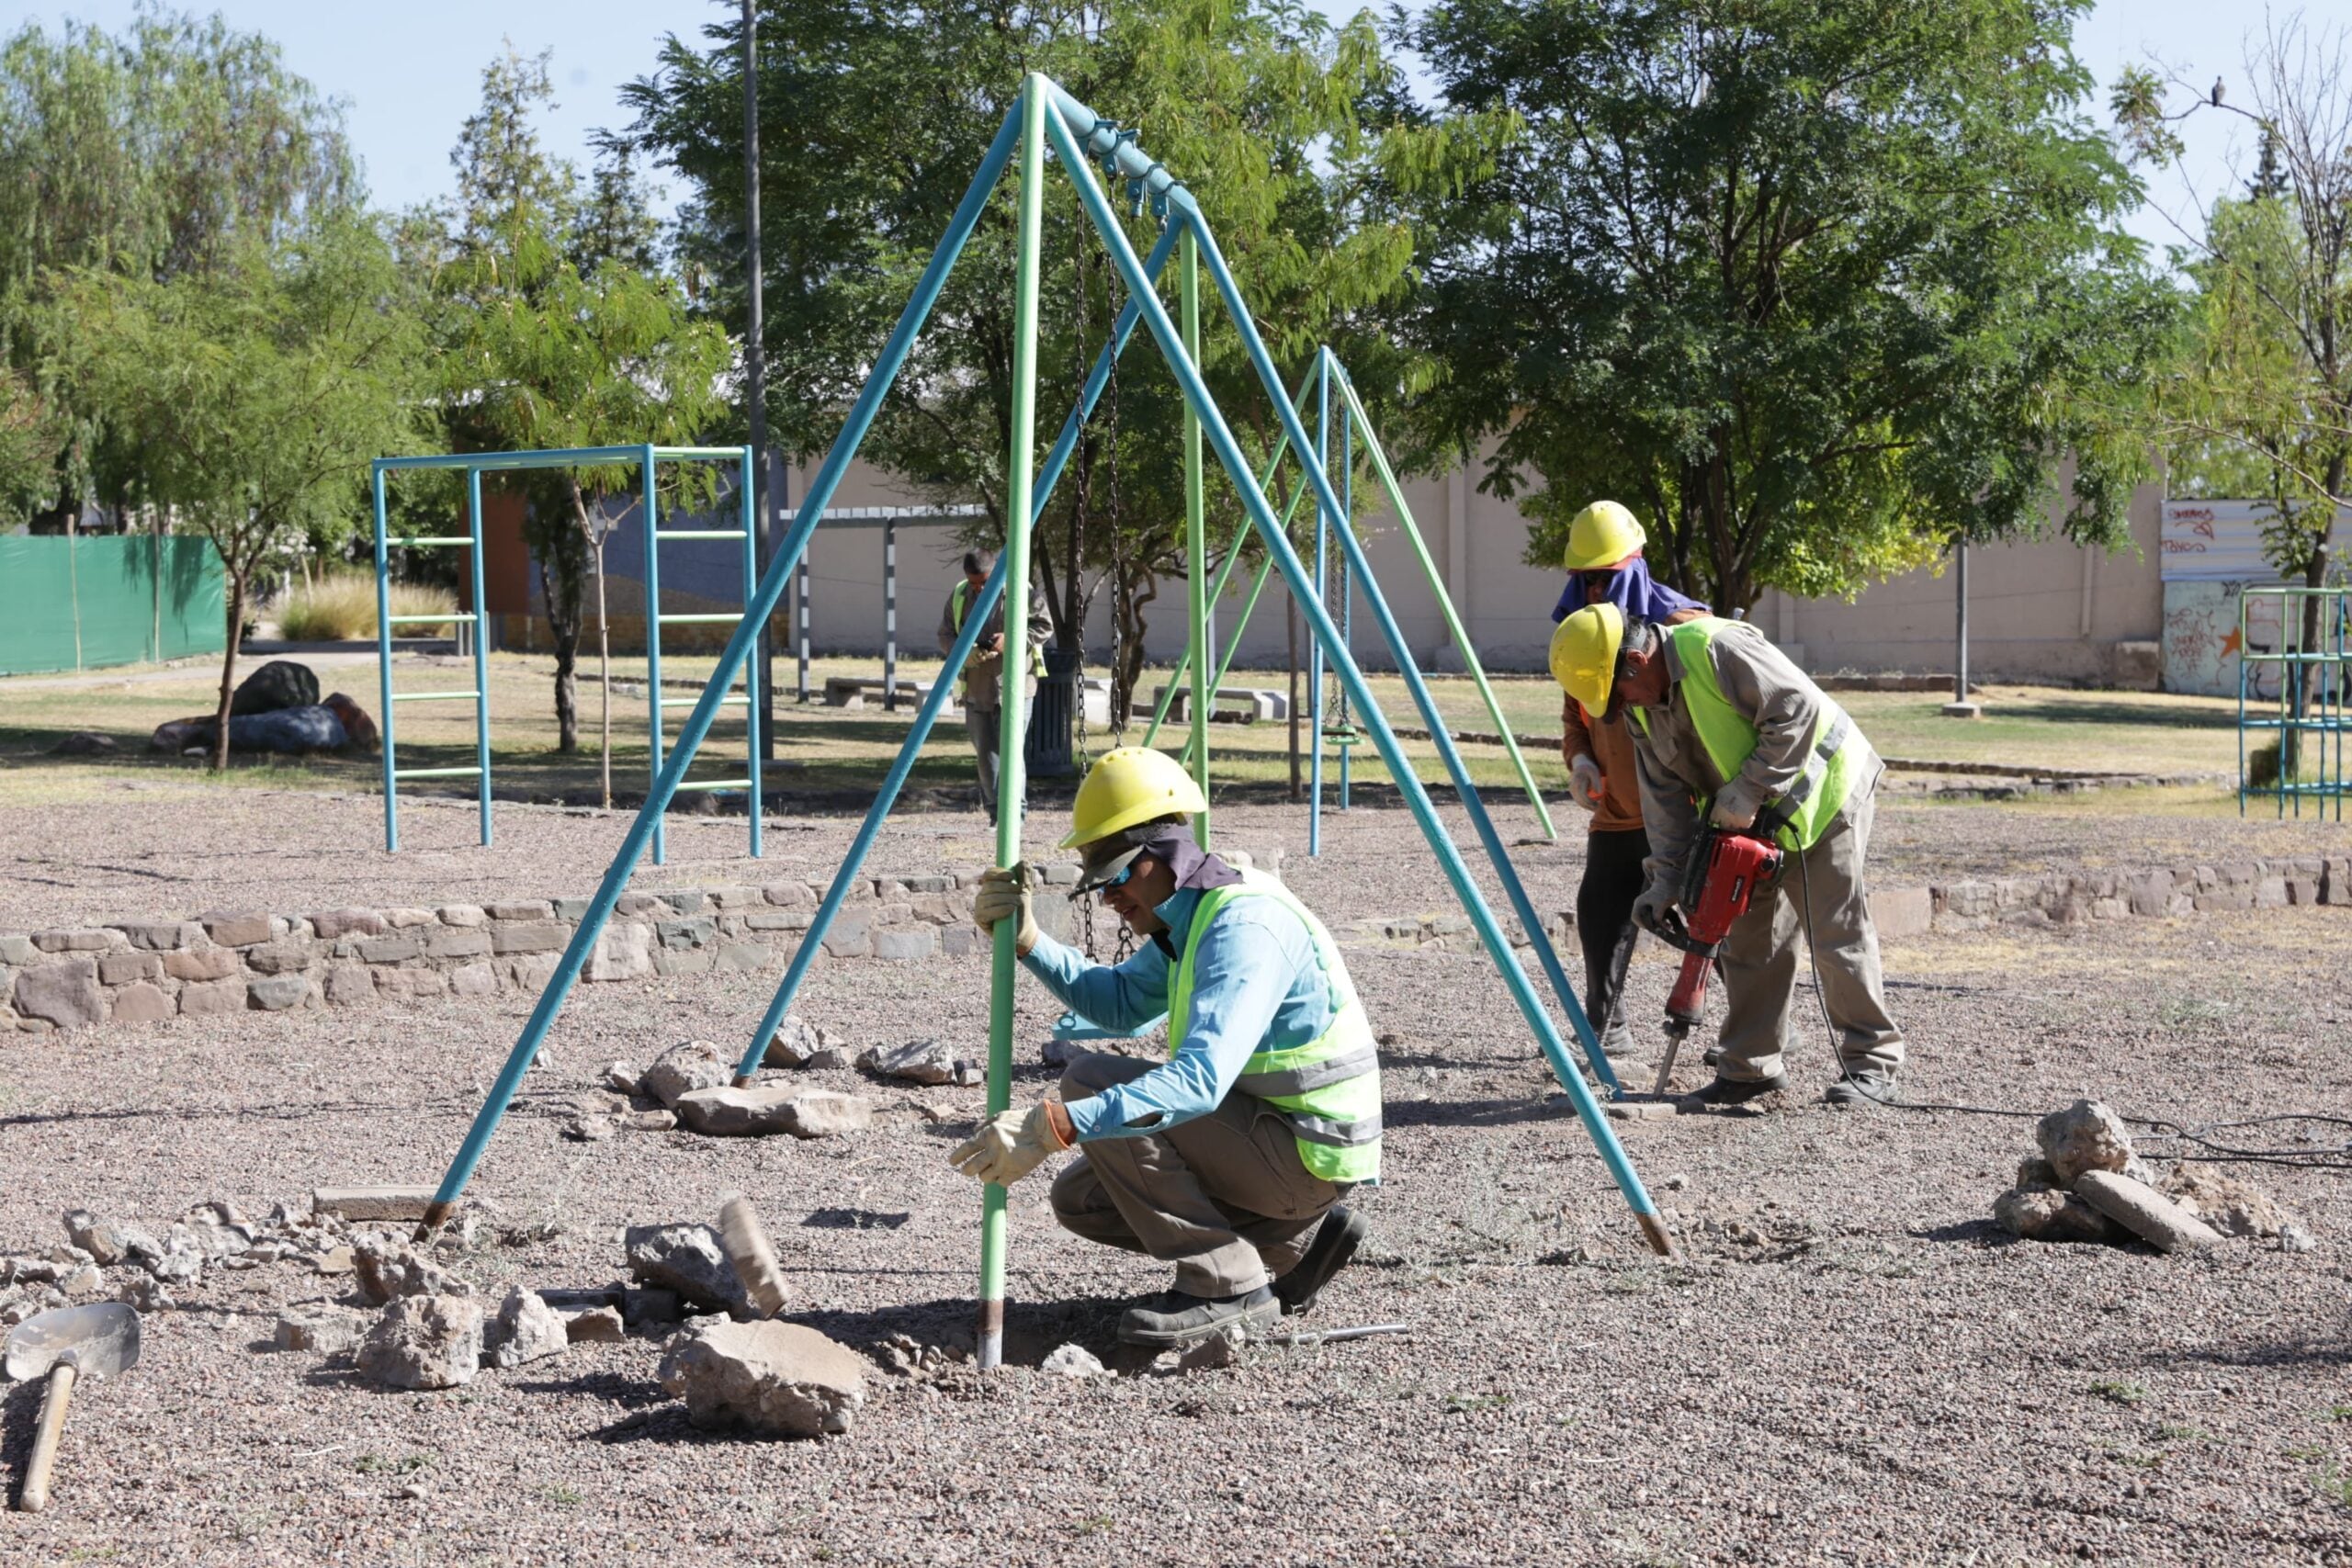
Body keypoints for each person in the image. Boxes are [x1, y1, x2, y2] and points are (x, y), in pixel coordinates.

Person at [950, 746, 1380, 1348]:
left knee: (1089, 1084)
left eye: (1116, 877)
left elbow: (1200, 1080)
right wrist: (1029, 941)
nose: (1108, 899)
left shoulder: (1242, 926)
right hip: (1283, 1146)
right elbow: (1122, 1002)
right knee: (1082, 1198)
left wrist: (1053, 1127)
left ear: (1161, 855)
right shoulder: (1195, 911)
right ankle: (1279, 1253)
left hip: (1306, 1158)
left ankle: (1226, 1284)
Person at [1548, 600, 1904, 1108]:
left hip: (1825, 796)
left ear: (1637, 661)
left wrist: (1749, 789)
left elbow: (1796, 710)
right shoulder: (1642, 711)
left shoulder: (1717, 647)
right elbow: (1664, 802)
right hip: (1753, 817)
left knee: (1834, 932)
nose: (1621, 707)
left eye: (1618, 693)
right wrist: (1666, 879)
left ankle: (1873, 1063)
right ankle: (1750, 1068)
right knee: (1746, 937)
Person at [1548, 501, 1709, 1066]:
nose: (1594, 590)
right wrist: (1581, 761)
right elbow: (1575, 712)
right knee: (1599, 912)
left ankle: (1757, 1035)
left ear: (1636, 564)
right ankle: (1606, 1029)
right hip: (1618, 805)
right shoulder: (1583, 630)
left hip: (1685, 806)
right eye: (1584, 578)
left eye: (1606, 577)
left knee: (1714, 924)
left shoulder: (1684, 627)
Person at [938, 550, 1052, 825]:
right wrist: (966, 652)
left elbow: (1044, 626)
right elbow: (946, 635)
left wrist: (1012, 638)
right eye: (974, 582)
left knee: (1012, 753)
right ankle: (995, 815)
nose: (978, 588)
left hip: (1015, 687)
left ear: (996, 575)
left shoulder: (1020, 591)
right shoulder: (960, 596)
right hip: (978, 688)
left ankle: (1016, 816)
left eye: (984, 582)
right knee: (986, 757)